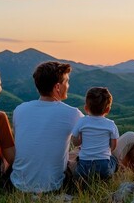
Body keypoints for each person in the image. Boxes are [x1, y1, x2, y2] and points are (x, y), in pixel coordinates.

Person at [10, 61, 83, 193]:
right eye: (66, 82)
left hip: (18, 183)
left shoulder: (19, 110)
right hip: (52, 185)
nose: (68, 85)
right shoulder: (72, 113)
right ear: (57, 87)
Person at [72, 87, 134, 183]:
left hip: (83, 169)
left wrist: (81, 141)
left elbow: (75, 142)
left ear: (86, 108)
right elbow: (113, 146)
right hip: (104, 168)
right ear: (107, 110)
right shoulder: (111, 124)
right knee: (114, 161)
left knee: (81, 164)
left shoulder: (81, 121)